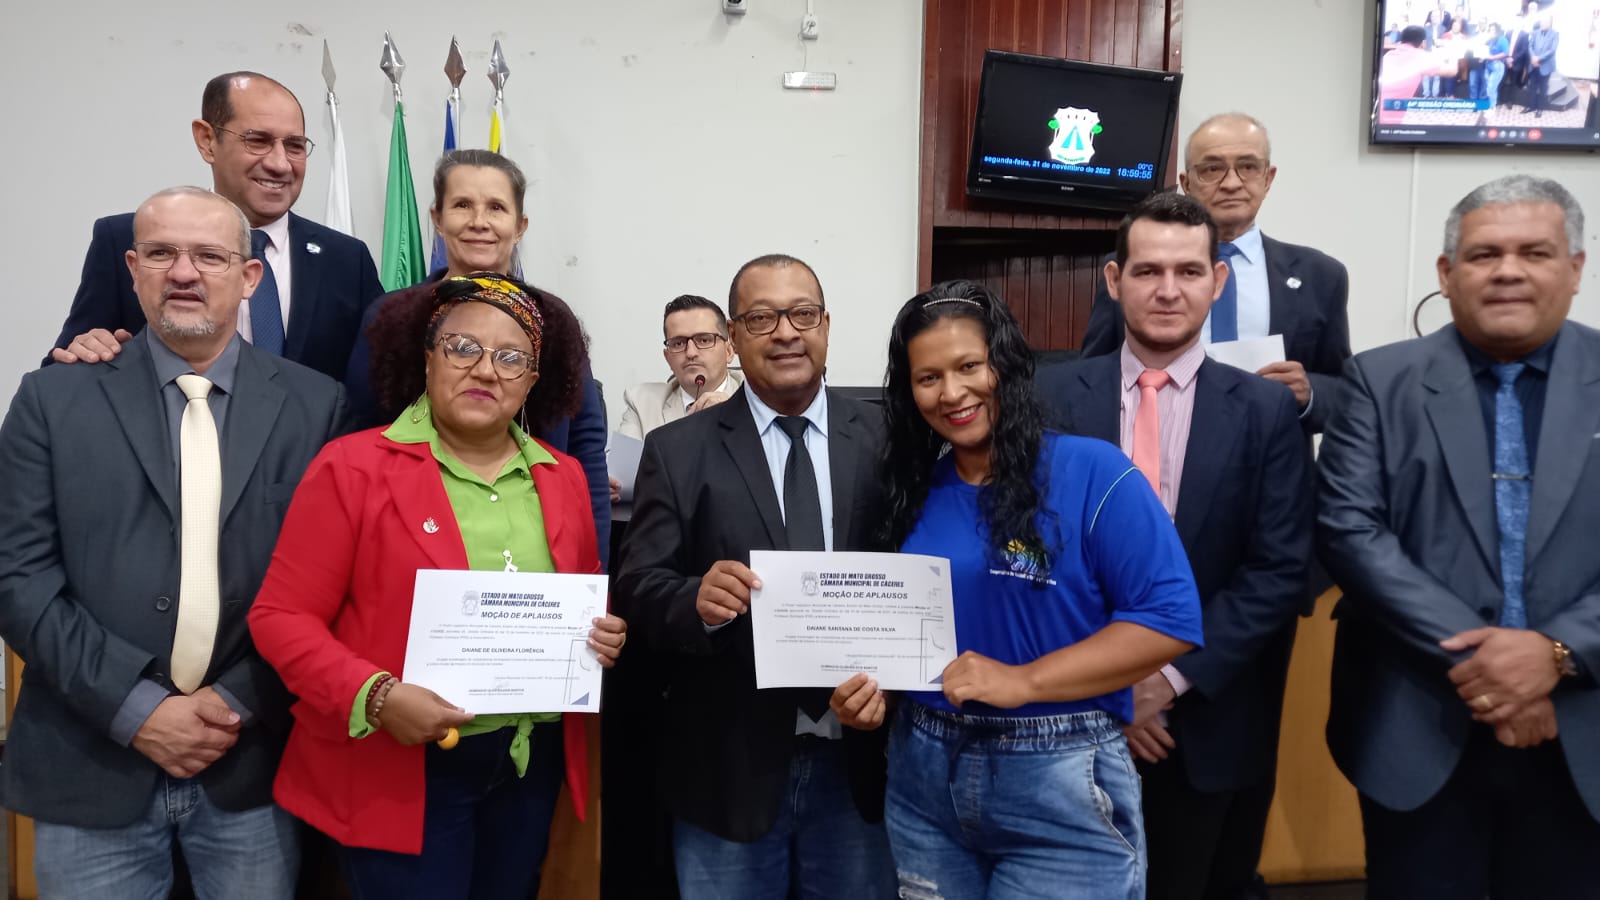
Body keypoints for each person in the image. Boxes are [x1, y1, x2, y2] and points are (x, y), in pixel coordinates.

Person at [0, 186, 349, 898]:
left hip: (249, 762)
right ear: (133, 270)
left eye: (209, 256)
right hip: (90, 760)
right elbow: (17, 577)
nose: (184, 272)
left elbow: (334, 585)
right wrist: (138, 710)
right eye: (161, 253)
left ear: (248, 277)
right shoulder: (51, 398)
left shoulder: (317, 407)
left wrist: (233, 703)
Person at [248, 273, 627, 898]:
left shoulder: (561, 477)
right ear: (427, 358)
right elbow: (280, 617)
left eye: (511, 358)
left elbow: (582, 595)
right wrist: (375, 695)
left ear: (532, 379)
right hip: (403, 769)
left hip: (526, 766)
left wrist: (603, 632)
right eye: (463, 348)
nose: (486, 370)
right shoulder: (352, 467)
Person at [857, 279, 1202, 899]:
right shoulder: (913, 490)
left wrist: (1025, 681)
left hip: (1059, 774)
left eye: (969, 366)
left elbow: (1168, 620)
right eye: (928, 377)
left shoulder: (1091, 471)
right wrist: (868, 690)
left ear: (1006, 366)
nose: (951, 393)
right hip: (923, 774)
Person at [1317, 174, 1600, 898]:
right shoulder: (1378, 380)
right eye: (1483, 255)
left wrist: (1557, 652)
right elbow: (1350, 531)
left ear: (1575, 268)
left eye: (1534, 252)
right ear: (1446, 274)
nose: (1507, 271)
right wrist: (1498, 667)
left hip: (1585, 726)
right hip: (1416, 725)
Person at [1037, 193, 1312, 900]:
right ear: (1114, 280)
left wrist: (1163, 680)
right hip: (1064, 724)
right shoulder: (1047, 396)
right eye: (1148, 270)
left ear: (1217, 282)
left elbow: (1278, 568)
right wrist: (1110, 683)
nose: (1167, 290)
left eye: (1188, 271)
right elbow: (1027, 553)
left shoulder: (1265, 410)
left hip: (1205, 724)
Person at [614, 254, 897, 899]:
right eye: (762, 318)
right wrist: (696, 600)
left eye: (803, 314)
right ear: (735, 338)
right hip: (727, 764)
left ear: (826, 326)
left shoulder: (887, 437)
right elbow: (638, 585)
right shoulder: (677, 449)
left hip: (858, 760)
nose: (786, 332)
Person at [344, 148, 613, 567]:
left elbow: (586, 449)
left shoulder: (553, 320)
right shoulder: (390, 317)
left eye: (496, 208)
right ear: (437, 218)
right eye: (462, 205)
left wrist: (594, 578)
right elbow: (362, 430)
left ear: (520, 226)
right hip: (410, 539)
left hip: (537, 539)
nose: (479, 222)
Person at [47, 72, 383, 380]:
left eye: (294, 146)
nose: (280, 164)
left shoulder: (346, 260)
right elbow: (62, 379)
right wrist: (85, 349)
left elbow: (380, 384)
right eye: (258, 140)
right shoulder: (126, 239)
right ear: (207, 140)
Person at [1080, 114, 1350, 436]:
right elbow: (1091, 380)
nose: (1231, 183)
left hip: (1271, 455)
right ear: (1186, 183)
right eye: (1212, 169)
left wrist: (1310, 394)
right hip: (1152, 448)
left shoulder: (1320, 276)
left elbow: (1346, 393)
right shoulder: (1133, 270)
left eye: (1248, 167)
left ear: (1268, 178)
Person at [617, 294, 744, 441]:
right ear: (668, 358)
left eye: (704, 340)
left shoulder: (757, 396)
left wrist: (734, 416)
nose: (691, 353)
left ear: (729, 351)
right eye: (678, 343)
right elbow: (623, 457)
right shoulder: (641, 404)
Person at [1525, 12, 1559, 116]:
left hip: (1545, 65)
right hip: (1533, 64)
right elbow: (1530, 46)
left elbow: (1552, 50)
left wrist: (1538, 59)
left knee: (1543, 88)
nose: (1542, 24)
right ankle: (1530, 106)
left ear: (1549, 24)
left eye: (1545, 23)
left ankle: (1540, 108)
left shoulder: (1555, 34)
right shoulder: (1535, 33)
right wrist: (1533, 57)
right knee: (1532, 86)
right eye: (1541, 22)